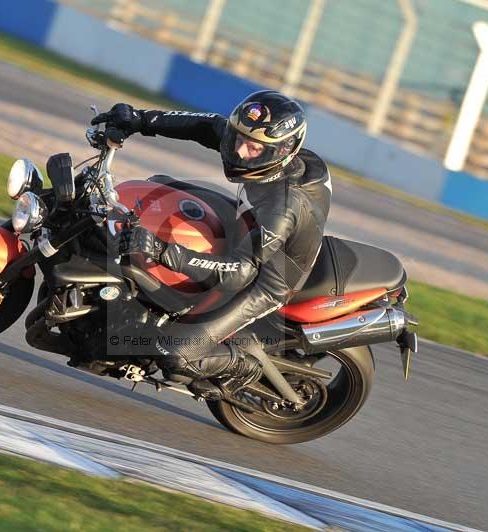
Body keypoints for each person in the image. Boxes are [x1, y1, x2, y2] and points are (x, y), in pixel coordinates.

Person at [91, 90, 331, 400]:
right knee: (156, 187)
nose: (241, 152)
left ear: (281, 151)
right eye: (239, 140)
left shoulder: (283, 207)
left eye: (254, 148)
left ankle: (243, 367)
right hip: (247, 224)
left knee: (176, 355)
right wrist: (139, 119)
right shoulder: (265, 155)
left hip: (267, 279)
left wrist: (163, 251)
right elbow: (205, 126)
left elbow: (240, 272)